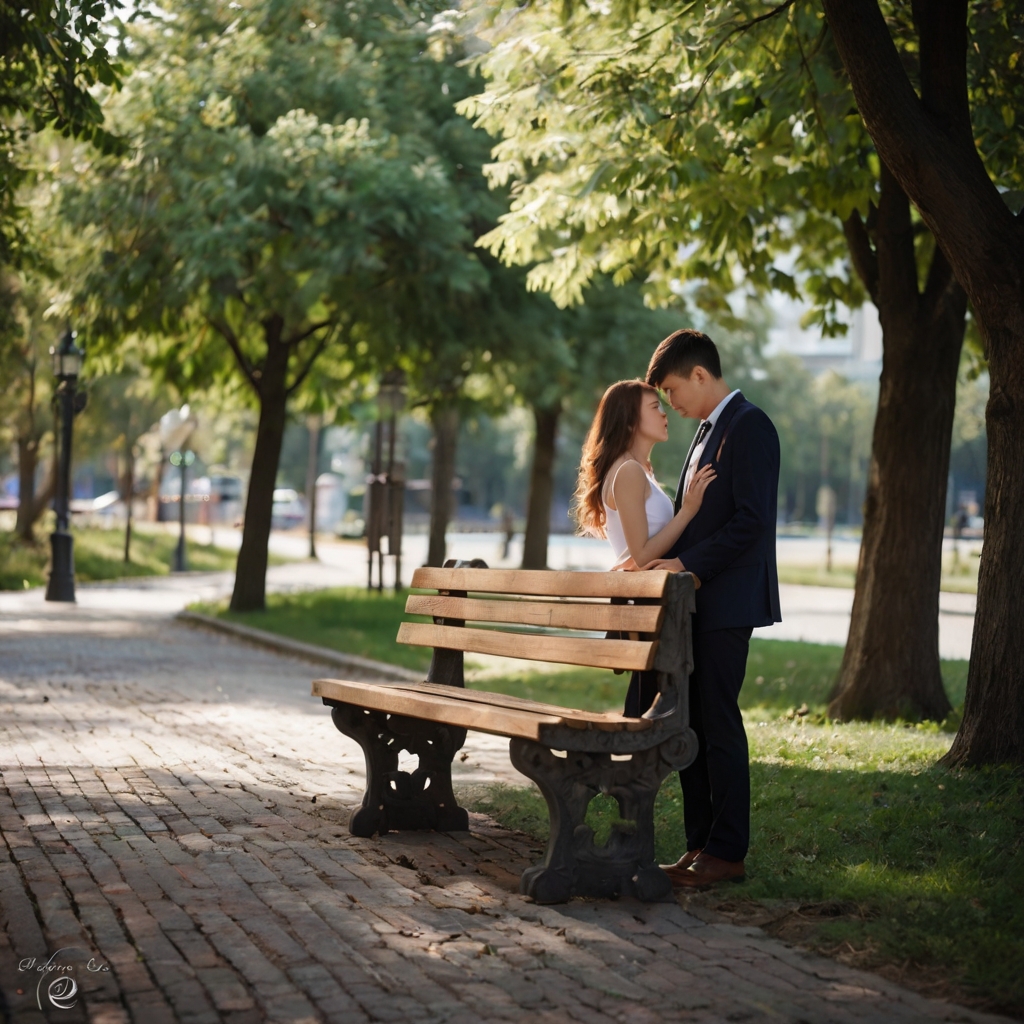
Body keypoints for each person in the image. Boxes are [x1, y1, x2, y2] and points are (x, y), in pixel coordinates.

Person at [639, 328, 781, 889]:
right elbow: (694, 517)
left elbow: (752, 521)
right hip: (695, 604)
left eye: (672, 390)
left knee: (719, 723)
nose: (670, 403)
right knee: (691, 724)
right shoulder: (704, 433)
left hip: (727, 602)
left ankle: (728, 852)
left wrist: (687, 566)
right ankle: (699, 844)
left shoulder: (751, 426)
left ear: (700, 375)